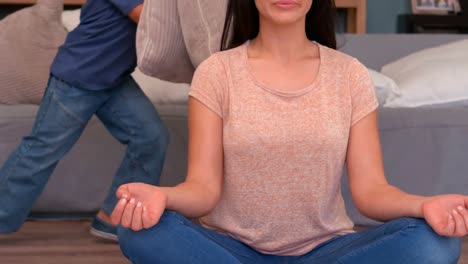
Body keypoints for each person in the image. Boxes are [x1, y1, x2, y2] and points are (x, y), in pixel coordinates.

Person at [111, 0, 466, 263]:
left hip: (328, 253)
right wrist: (160, 197)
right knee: (139, 231)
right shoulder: (216, 72)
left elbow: (371, 192)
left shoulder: (349, 75)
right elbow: (202, 189)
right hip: (232, 252)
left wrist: (426, 205)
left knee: (435, 243)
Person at [0, 0, 169, 241]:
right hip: (79, 77)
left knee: (151, 138)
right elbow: (149, 20)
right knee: (43, 149)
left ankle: (112, 219)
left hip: (114, 79)